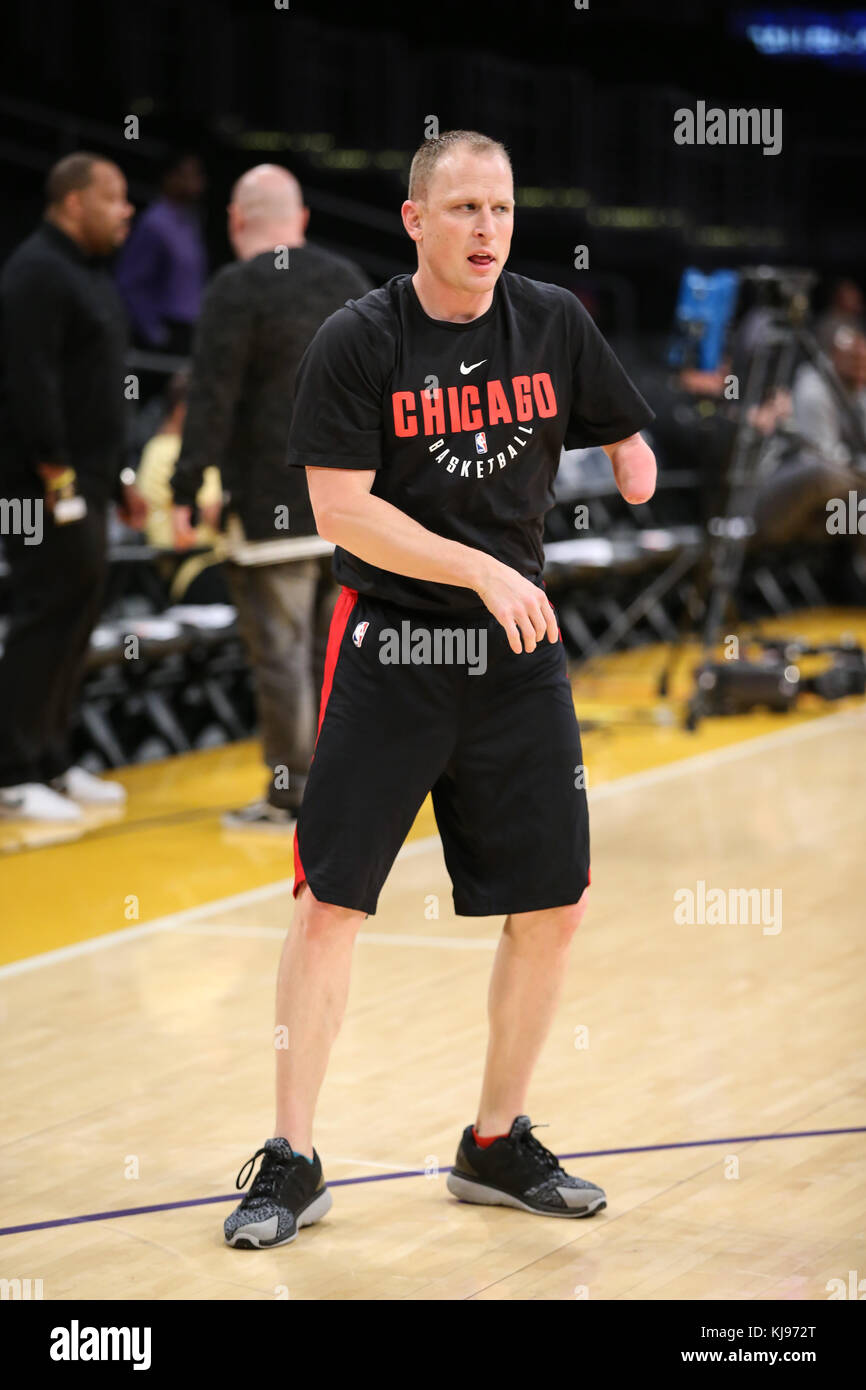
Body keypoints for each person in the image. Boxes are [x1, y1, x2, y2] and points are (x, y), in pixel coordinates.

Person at [223, 130, 657, 1249]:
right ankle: (291, 1156)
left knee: (553, 904)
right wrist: (476, 564)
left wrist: (628, 456)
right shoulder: (358, 338)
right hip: (394, 649)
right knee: (329, 903)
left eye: (501, 210)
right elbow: (339, 507)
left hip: (516, 660)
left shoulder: (552, 319)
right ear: (414, 220)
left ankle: (493, 1142)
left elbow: (617, 420)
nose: (484, 229)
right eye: (461, 208)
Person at [170, 164, 372, 829]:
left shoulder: (235, 288)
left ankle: (293, 794)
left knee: (281, 656)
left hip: (268, 507)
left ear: (236, 220)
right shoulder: (346, 280)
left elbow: (212, 399)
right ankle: (344, 788)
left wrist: (184, 484)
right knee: (335, 652)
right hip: (350, 505)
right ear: (302, 218)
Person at [0, 152, 146, 823]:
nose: (127, 211)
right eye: (114, 198)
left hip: (85, 479)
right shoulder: (35, 271)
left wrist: (115, 478)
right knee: (42, 613)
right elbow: (28, 383)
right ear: (72, 201)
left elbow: (95, 395)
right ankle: (12, 769)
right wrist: (59, 479)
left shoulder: (86, 275)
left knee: (77, 615)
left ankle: (52, 757)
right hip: (40, 482)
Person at [135, 370, 228, 603]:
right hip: (193, 570)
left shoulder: (161, 448)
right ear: (182, 410)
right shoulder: (172, 452)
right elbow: (214, 514)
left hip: (207, 562)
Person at [115, 153, 207, 356]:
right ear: (170, 178)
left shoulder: (192, 222)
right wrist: (154, 333)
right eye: (188, 175)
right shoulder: (153, 223)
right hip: (166, 331)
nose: (197, 181)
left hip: (189, 330)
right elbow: (130, 283)